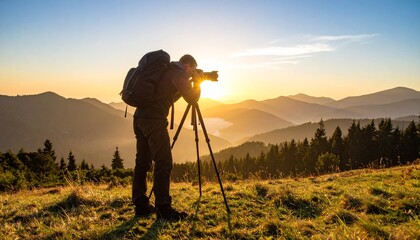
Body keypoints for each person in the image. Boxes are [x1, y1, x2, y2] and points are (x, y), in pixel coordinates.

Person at [132, 54, 201, 220]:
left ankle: (140, 206)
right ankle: (163, 208)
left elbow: (168, 97)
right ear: (187, 65)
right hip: (154, 122)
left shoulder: (165, 71)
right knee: (164, 163)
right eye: (192, 70)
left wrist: (190, 81)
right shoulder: (178, 73)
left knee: (142, 162)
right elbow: (192, 98)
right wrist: (198, 84)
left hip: (139, 118)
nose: (191, 74)